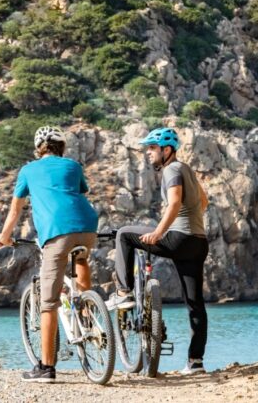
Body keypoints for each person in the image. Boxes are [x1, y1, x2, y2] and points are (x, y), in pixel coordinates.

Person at [0, 126, 99, 384]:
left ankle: (46, 368)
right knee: (82, 258)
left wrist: (4, 237)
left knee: (48, 303)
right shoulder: (73, 166)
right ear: (61, 147)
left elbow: (14, 211)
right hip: (87, 227)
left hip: (56, 233)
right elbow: (79, 192)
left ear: (38, 148)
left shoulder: (28, 171)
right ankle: (86, 313)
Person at [105, 127, 210, 375]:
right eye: (147, 149)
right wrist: (185, 222)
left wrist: (160, 232)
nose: (148, 153)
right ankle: (196, 361)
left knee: (124, 234)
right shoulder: (187, 170)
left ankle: (123, 292)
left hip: (180, 239)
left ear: (167, 150)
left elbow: (174, 203)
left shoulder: (172, 169)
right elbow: (203, 202)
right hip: (198, 241)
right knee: (195, 303)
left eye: (152, 148)